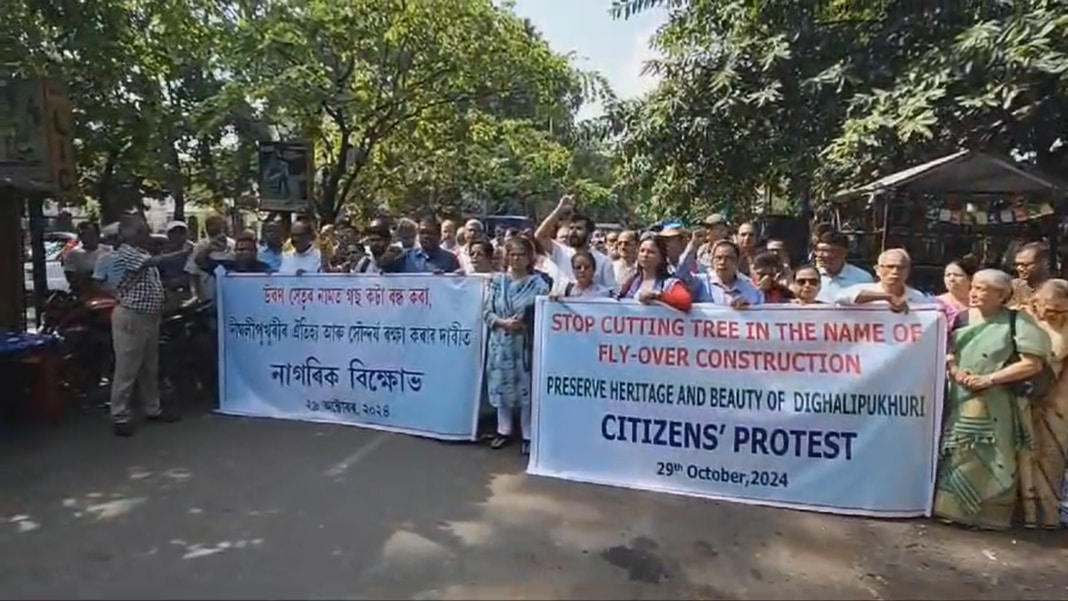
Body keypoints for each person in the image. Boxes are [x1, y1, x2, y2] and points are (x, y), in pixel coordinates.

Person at [937, 269, 1051, 529]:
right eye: (974, 287)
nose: (975, 292)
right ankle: (952, 510)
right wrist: (955, 371)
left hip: (998, 400)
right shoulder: (962, 318)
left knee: (995, 454)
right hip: (961, 396)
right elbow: (949, 353)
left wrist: (990, 379)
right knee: (959, 452)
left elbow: (1032, 364)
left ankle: (990, 516)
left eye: (983, 288)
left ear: (1001, 295)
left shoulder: (1016, 321)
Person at [109, 215, 191, 436]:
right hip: (131, 316)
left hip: (149, 316)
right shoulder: (125, 253)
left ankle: (151, 408)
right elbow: (155, 262)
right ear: (126, 233)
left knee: (149, 367)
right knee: (127, 368)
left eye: (145, 231)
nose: (145, 235)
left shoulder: (142, 252)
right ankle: (120, 414)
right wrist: (182, 254)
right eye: (139, 231)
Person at [484, 237, 550, 455]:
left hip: (525, 344)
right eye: (512, 253)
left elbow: (542, 314)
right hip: (500, 343)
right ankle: (503, 430)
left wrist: (522, 325)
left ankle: (528, 434)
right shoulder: (496, 282)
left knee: (526, 388)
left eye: (521, 254)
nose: (516, 258)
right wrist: (503, 323)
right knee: (500, 384)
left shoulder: (538, 285)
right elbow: (486, 312)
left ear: (530, 257)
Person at [1018, 279, 1068, 528]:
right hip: (1021, 398)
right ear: (1037, 302)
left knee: (1051, 459)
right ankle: (1024, 513)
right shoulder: (1021, 318)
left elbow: (1057, 355)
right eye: (1051, 309)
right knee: (1023, 455)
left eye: (1062, 311)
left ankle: (1047, 515)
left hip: (1057, 405)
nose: (1056, 315)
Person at [534, 194, 616, 289]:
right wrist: (559, 210)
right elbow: (539, 236)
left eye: (579, 228)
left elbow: (612, 291)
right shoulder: (561, 252)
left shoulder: (603, 261)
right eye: (571, 228)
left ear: (590, 234)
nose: (573, 232)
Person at [834, 248, 927, 312]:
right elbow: (840, 298)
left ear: (908, 271)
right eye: (890, 267)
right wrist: (887, 297)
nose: (895, 271)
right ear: (878, 270)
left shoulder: (917, 297)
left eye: (901, 267)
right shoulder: (863, 289)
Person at [617, 235, 693, 312]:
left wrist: (657, 296)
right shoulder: (631, 282)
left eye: (651, 252)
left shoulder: (669, 283)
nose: (645, 255)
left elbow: (685, 301)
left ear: (661, 257)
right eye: (642, 251)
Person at [692, 240, 763, 308]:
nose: (722, 262)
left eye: (728, 258)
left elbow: (763, 315)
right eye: (718, 258)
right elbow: (682, 276)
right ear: (712, 261)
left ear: (737, 262)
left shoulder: (751, 288)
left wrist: (749, 309)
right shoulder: (700, 282)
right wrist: (692, 246)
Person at [380, 216, 461, 274]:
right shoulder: (406, 257)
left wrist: (448, 279)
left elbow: (457, 287)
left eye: (430, 233)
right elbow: (384, 272)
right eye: (422, 232)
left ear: (439, 236)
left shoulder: (450, 259)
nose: (425, 236)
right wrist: (387, 258)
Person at [813, 230, 873, 302]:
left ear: (843, 253)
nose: (821, 255)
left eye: (828, 250)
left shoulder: (862, 278)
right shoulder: (807, 278)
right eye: (818, 250)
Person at [186, 215, 234, 301]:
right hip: (207, 293)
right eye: (211, 225)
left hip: (229, 292)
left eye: (217, 225)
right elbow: (192, 272)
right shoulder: (201, 246)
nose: (213, 228)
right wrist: (195, 294)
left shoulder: (233, 245)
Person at [63, 222, 111, 298]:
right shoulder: (73, 254)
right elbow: (71, 277)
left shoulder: (108, 250)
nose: (87, 238)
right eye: (84, 235)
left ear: (97, 235)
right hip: (84, 294)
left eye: (91, 234)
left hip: (108, 293)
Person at [195, 231, 271, 274]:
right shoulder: (226, 267)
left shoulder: (264, 269)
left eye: (245, 250)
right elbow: (200, 261)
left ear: (254, 252)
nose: (241, 253)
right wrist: (209, 249)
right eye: (238, 250)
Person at [937, 257, 978, 324]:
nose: (951, 279)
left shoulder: (979, 302)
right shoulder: (936, 303)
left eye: (957, 275)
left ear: (970, 279)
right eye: (948, 275)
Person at [1009, 242, 1051, 309]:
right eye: (1017, 265)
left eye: (1025, 265)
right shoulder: (1012, 288)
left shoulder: (1058, 289)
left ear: (1043, 263)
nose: (1019, 268)